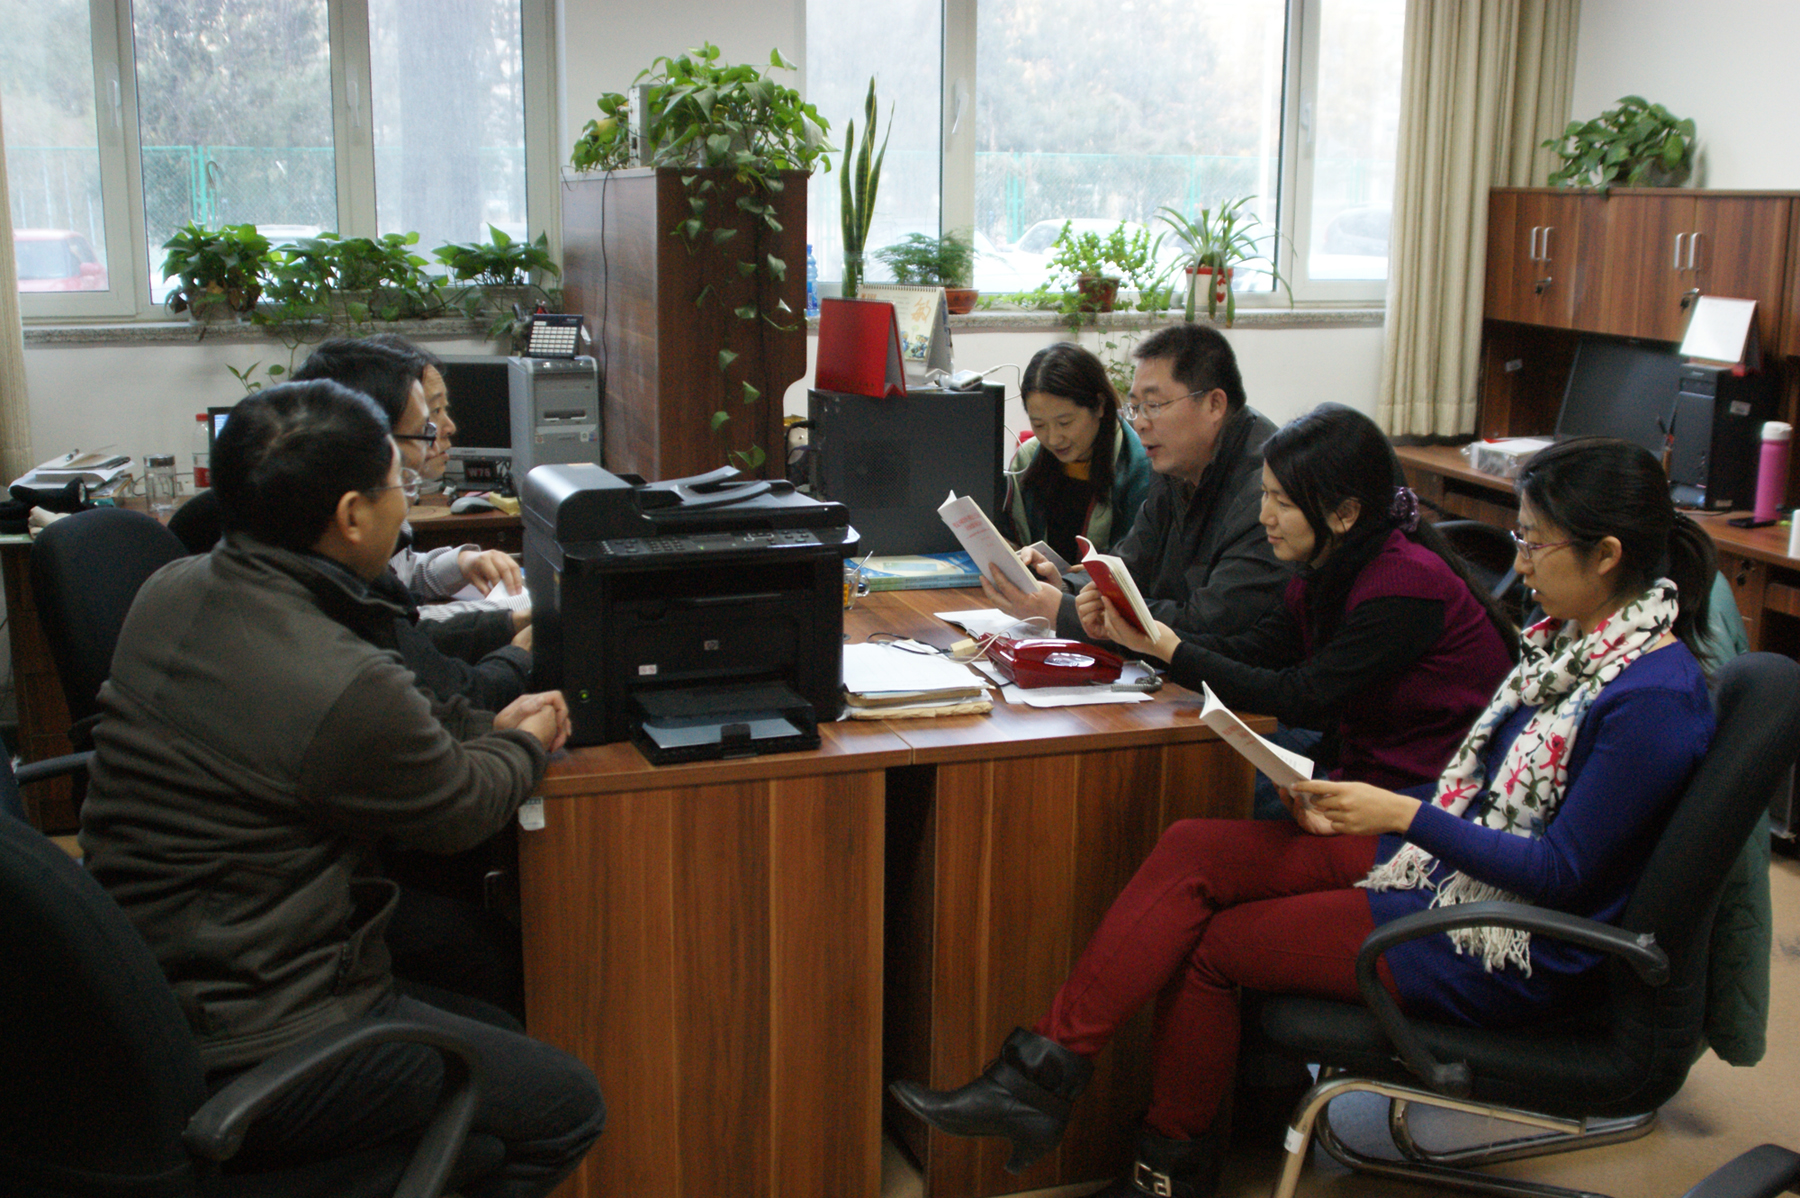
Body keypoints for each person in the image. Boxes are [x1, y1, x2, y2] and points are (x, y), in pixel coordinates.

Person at [890, 435, 1718, 1198]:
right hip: (1444, 871)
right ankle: (1039, 1079)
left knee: (1216, 946)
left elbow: (1562, 875)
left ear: (1607, 555)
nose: (1521, 562)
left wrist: (1399, 812)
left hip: (1505, 942)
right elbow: (1480, 788)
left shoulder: (1650, 696)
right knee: (1193, 849)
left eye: (1535, 543)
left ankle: (1159, 1168)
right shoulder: (1571, 649)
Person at [78, 379, 603, 1195]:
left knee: (495, 1018)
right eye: (398, 484)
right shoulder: (336, 677)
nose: (407, 501)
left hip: (158, 992)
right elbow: (459, 809)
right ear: (353, 516)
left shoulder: (174, 588)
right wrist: (527, 742)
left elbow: (381, 731)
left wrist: (481, 730)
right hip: (261, 1027)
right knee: (567, 1104)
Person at [1087, 404, 1516, 812]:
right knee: (1188, 777)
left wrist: (1170, 649)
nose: (1265, 516)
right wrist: (1145, 635)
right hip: (1357, 765)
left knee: (1197, 791)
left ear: (1345, 513)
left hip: (1418, 799)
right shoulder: (1327, 563)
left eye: (1284, 503)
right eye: (1265, 494)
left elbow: (1303, 697)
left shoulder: (1403, 586)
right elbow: (1258, 650)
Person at [981, 324, 1287, 643]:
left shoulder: (1267, 491)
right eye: (1135, 407)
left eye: (1153, 406)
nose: (1138, 423)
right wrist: (1062, 586)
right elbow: (1126, 570)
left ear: (1214, 405)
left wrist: (1065, 610)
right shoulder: (1175, 464)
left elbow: (1209, 622)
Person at [293, 337, 523, 608]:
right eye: (431, 414)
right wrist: (502, 616)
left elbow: (397, 577)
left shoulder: (380, 493)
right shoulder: (347, 517)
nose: (447, 427)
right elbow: (390, 620)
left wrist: (462, 562)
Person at [1002, 342, 1152, 563]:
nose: (1053, 439)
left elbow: (1136, 565)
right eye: (1039, 424)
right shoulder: (1026, 460)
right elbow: (1012, 535)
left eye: (1065, 422)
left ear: (1099, 405)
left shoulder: (1139, 469)